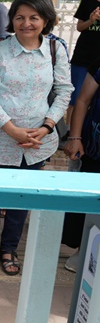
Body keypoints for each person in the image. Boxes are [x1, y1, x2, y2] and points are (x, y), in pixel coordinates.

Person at [0, 0, 73, 275]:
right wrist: (12, 129)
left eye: (34, 17)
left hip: (37, 143)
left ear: (46, 21)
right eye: (20, 17)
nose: (26, 23)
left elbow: (64, 91)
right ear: (12, 20)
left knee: (21, 198)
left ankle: (9, 247)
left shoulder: (56, 51)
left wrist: (46, 127)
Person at [63, 55, 100, 271]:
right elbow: (83, 100)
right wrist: (75, 137)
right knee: (91, 200)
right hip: (95, 147)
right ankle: (84, 251)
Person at [70, 0, 100, 120]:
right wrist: (91, 20)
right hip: (83, 56)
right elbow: (80, 27)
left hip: (98, 61)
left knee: (94, 99)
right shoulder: (88, 1)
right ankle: (69, 131)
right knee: (75, 96)